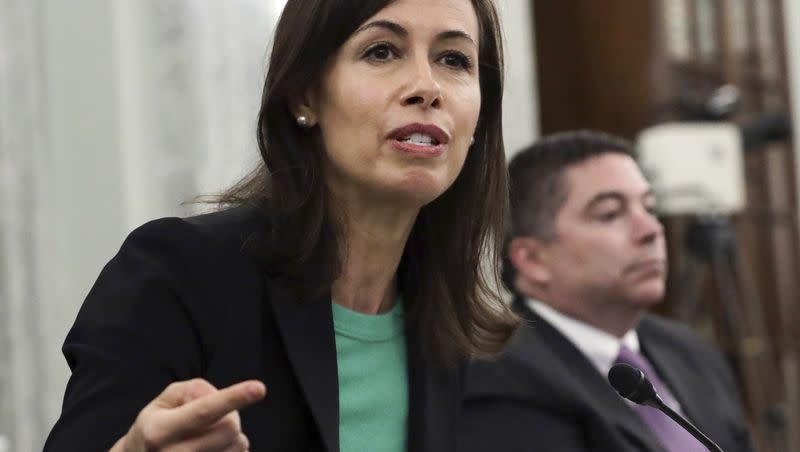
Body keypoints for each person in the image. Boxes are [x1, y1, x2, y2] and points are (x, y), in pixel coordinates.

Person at [44, 0, 518, 450]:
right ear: (303, 95)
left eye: (454, 60)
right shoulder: (180, 275)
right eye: (382, 51)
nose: (426, 86)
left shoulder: (471, 339)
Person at [458, 131, 754, 452]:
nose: (652, 230)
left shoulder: (693, 353)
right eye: (610, 214)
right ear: (532, 260)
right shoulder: (501, 380)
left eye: (650, 208)